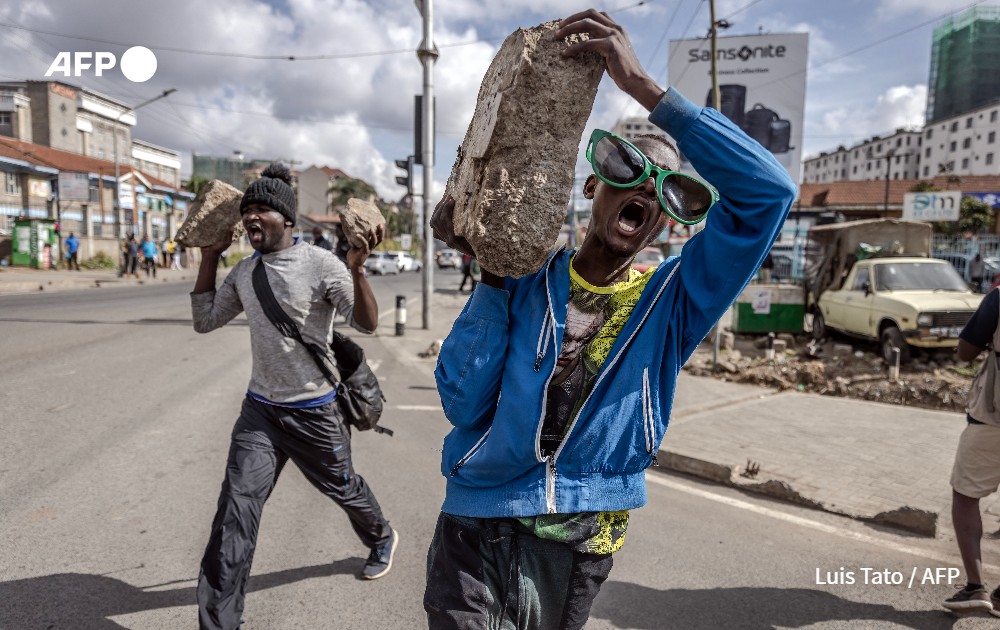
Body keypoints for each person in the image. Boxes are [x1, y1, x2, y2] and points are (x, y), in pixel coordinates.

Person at [424, 9, 796, 629]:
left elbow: (769, 195)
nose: (646, 192)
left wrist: (649, 92)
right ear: (594, 185)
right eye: (628, 169)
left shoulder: (673, 303)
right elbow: (462, 405)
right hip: (477, 522)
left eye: (671, 190)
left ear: (671, 218)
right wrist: (492, 277)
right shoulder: (527, 280)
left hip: (580, 537)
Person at [190, 163, 397, 630]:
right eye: (247, 211)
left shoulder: (321, 264)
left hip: (315, 411)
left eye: (262, 209)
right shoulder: (245, 272)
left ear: (287, 219)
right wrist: (209, 257)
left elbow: (366, 323)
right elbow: (205, 321)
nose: (251, 218)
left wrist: (357, 270)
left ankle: (381, 536)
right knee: (233, 516)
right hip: (260, 412)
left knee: (344, 488)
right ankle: (220, 624)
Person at [942, 286, 1000, 615]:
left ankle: (976, 587)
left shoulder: (998, 298)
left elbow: (965, 352)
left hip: (992, 415)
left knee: (965, 495)